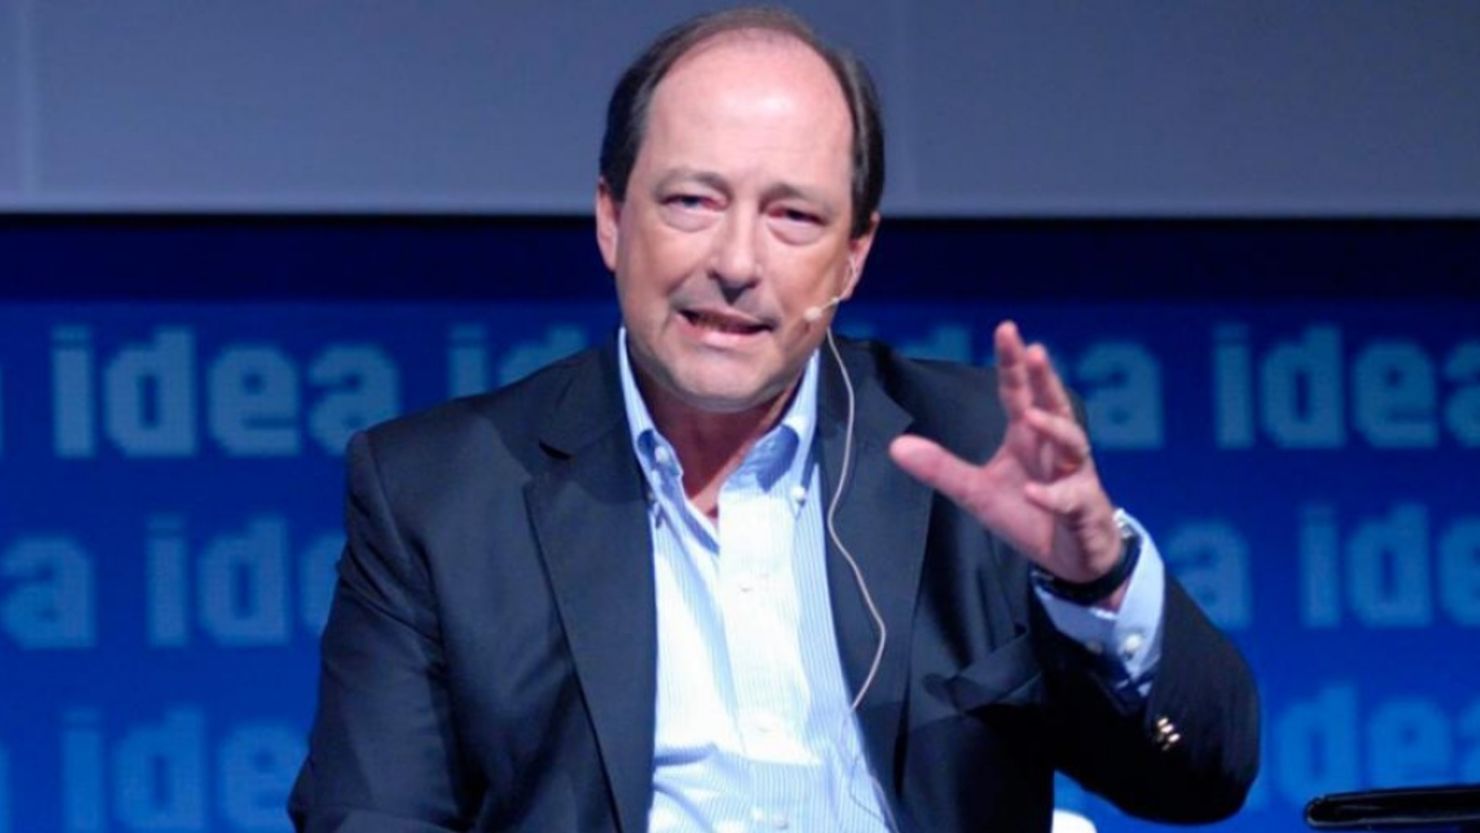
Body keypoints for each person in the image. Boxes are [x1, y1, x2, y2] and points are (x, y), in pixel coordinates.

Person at [289, 7, 1258, 832]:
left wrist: (1096, 580)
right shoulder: (440, 492)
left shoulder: (968, 452)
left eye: (793, 216)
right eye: (692, 201)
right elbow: (371, 814)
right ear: (611, 218)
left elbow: (1201, 777)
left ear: (853, 255)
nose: (737, 261)